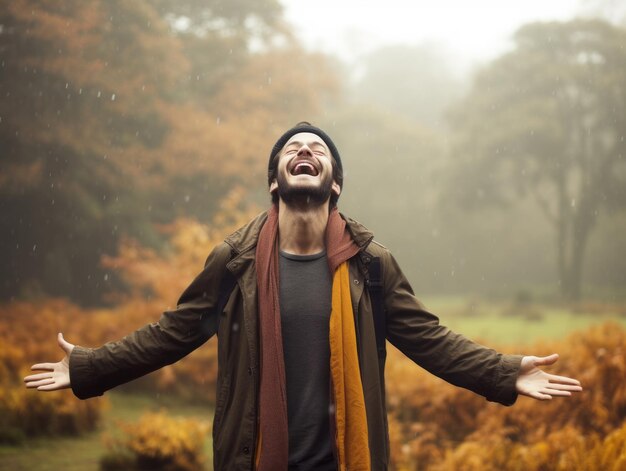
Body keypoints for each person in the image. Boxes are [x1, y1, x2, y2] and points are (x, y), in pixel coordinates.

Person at [24, 122, 582, 471]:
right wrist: (91, 368)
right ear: (277, 181)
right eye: (293, 148)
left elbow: (430, 340)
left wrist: (504, 372)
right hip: (254, 458)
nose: (305, 151)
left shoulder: (370, 265)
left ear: (333, 183)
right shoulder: (235, 262)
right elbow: (172, 333)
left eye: (317, 148)